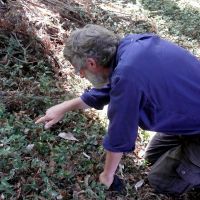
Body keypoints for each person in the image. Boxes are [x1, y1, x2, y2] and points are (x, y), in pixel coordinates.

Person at [35, 24, 200, 196]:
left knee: (161, 182)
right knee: (152, 157)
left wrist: (107, 176)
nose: (81, 75)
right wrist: (63, 107)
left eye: (80, 70)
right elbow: (110, 88)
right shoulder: (131, 45)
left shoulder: (128, 75)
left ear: (91, 63)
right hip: (191, 114)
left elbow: (120, 134)